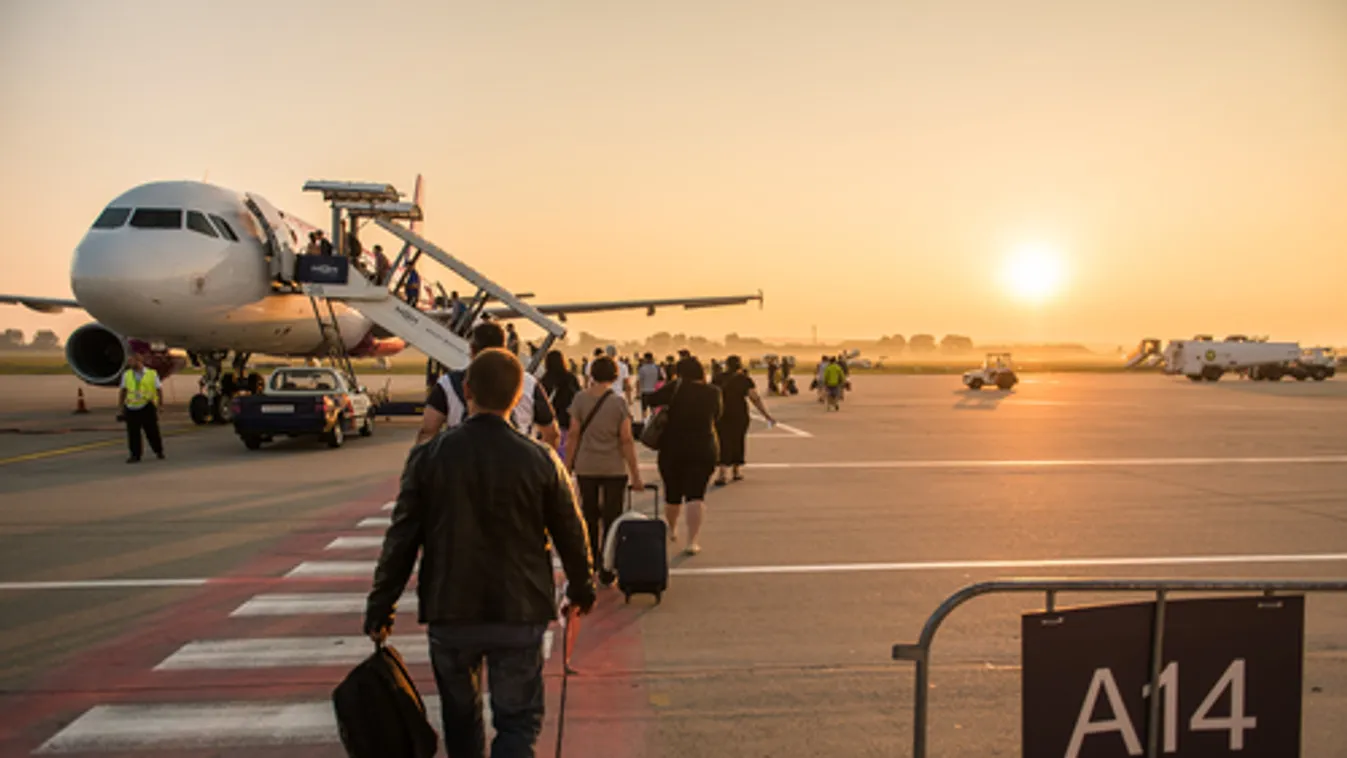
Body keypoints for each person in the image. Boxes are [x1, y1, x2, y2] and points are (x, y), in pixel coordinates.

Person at [365, 349, 596, 758]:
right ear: (517, 396)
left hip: (450, 609)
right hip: (520, 609)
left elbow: (401, 540)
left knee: (460, 718)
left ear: (467, 390)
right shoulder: (540, 459)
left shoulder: (428, 458)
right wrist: (582, 587)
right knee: (517, 723)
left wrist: (381, 605)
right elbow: (571, 531)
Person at [416, 322, 561, 449]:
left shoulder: (448, 383)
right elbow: (551, 433)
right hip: (516, 466)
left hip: (460, 466)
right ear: (506, 348)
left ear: (472, 350)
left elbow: (428, 431)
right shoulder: (529, 383)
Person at [565, 356, 644, 585]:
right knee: (612, 517)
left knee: (589, 515)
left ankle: (590, 562)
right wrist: (636, 474)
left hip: (587, 465)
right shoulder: (619, 402)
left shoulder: (579, 399)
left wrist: (568, 467)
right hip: (613, 467)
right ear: (615, 375)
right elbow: (626, 440)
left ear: (591, 375)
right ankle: (609, 566)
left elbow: (573, 434)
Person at [644, 357, 722, 556]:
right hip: (703, 446)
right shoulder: (713, 392)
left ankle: (672, 530)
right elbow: (718, 415)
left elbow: (650, 399)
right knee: (696, 495)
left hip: (672, 447)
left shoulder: (675, 389)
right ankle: (692, 541)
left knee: (672, 494)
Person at [714, 355, 775, 486]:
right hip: (739, 414)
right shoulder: (745, 380)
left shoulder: (717, 378)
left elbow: (710, 396)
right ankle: (736, 471)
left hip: (721, 414)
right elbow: (755, 398)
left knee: (723, 441)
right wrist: (766, 415)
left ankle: (722, 473)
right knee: (738, 440)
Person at [119, 352, 164, 463]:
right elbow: (123, 391)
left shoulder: (152, 374)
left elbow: (159, 390)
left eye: (132, 361)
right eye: (129, 361)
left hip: (147, 406)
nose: (130, 363)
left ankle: (158, 450)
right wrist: (121, 406)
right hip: (131, 407)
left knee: (152, 432)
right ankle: (135, 455)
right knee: (133, 433)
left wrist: (160, 405)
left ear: (140, 361)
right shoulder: (127, 375)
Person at [540, 349, 582, 458]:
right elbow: (579, 396)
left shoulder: (545, 379)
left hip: (552, 419)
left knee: (552, 450)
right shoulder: (570, 378)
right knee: (567, 448)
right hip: (569, 418)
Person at [636, 352, 662, 420]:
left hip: (645, 392)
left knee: (644, 410)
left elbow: (639, 381)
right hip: (655, 392)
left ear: (645, 358)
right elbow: (661, 380)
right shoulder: (657, 367)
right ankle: (654, 423)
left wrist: (638, 393)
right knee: (653, 410)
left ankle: (644, 423)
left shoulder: (642, 368)